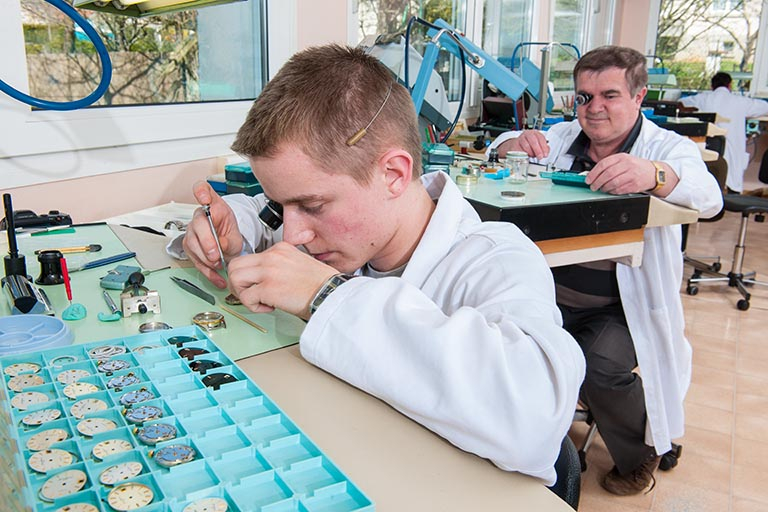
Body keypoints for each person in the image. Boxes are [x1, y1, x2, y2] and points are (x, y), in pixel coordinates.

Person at [169, 44, 585, 485]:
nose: (293, 235)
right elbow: (257, 208)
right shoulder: (337, 227)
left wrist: (326, 295)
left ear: (393, 174)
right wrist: (235, 224)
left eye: (312, 205)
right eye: (280, 205)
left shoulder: (494, 259)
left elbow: (534, 418)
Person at [490, 46, 723, 495]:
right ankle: (524, 444)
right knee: (500, 342)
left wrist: (655, 175)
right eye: (583, 97)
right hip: (547, 293)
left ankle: (640, 455)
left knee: (598, 364)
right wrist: (514, 144)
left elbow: (708, 195)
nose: (593, 109)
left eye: (609, 95)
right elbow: (496, 148)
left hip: (619, 306)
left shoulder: (663, 147)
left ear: (638, 97)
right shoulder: (560, 138)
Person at [680, 71, 768, 193]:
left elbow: (681, 102)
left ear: (712, 86)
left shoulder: (702, 98)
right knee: (732, 175)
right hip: (731, 149)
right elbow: (764, 107)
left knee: (709, 173)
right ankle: (732, 196)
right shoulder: (741, 101)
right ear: (730, 85)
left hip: (709, 146)